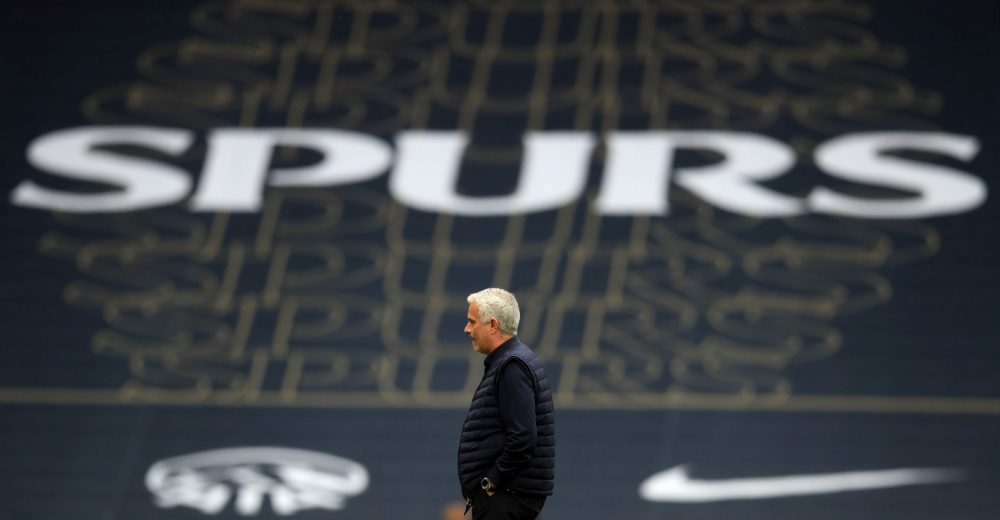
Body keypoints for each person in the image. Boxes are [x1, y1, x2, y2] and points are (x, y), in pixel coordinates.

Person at [457, 288, 555, 520]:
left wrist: (491, 481)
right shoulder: (512, 361)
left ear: (492, 325)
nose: (467, 329)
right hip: (507, 496)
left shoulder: (512, 366)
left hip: (505, 497)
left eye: (472, 322)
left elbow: (523, 437)